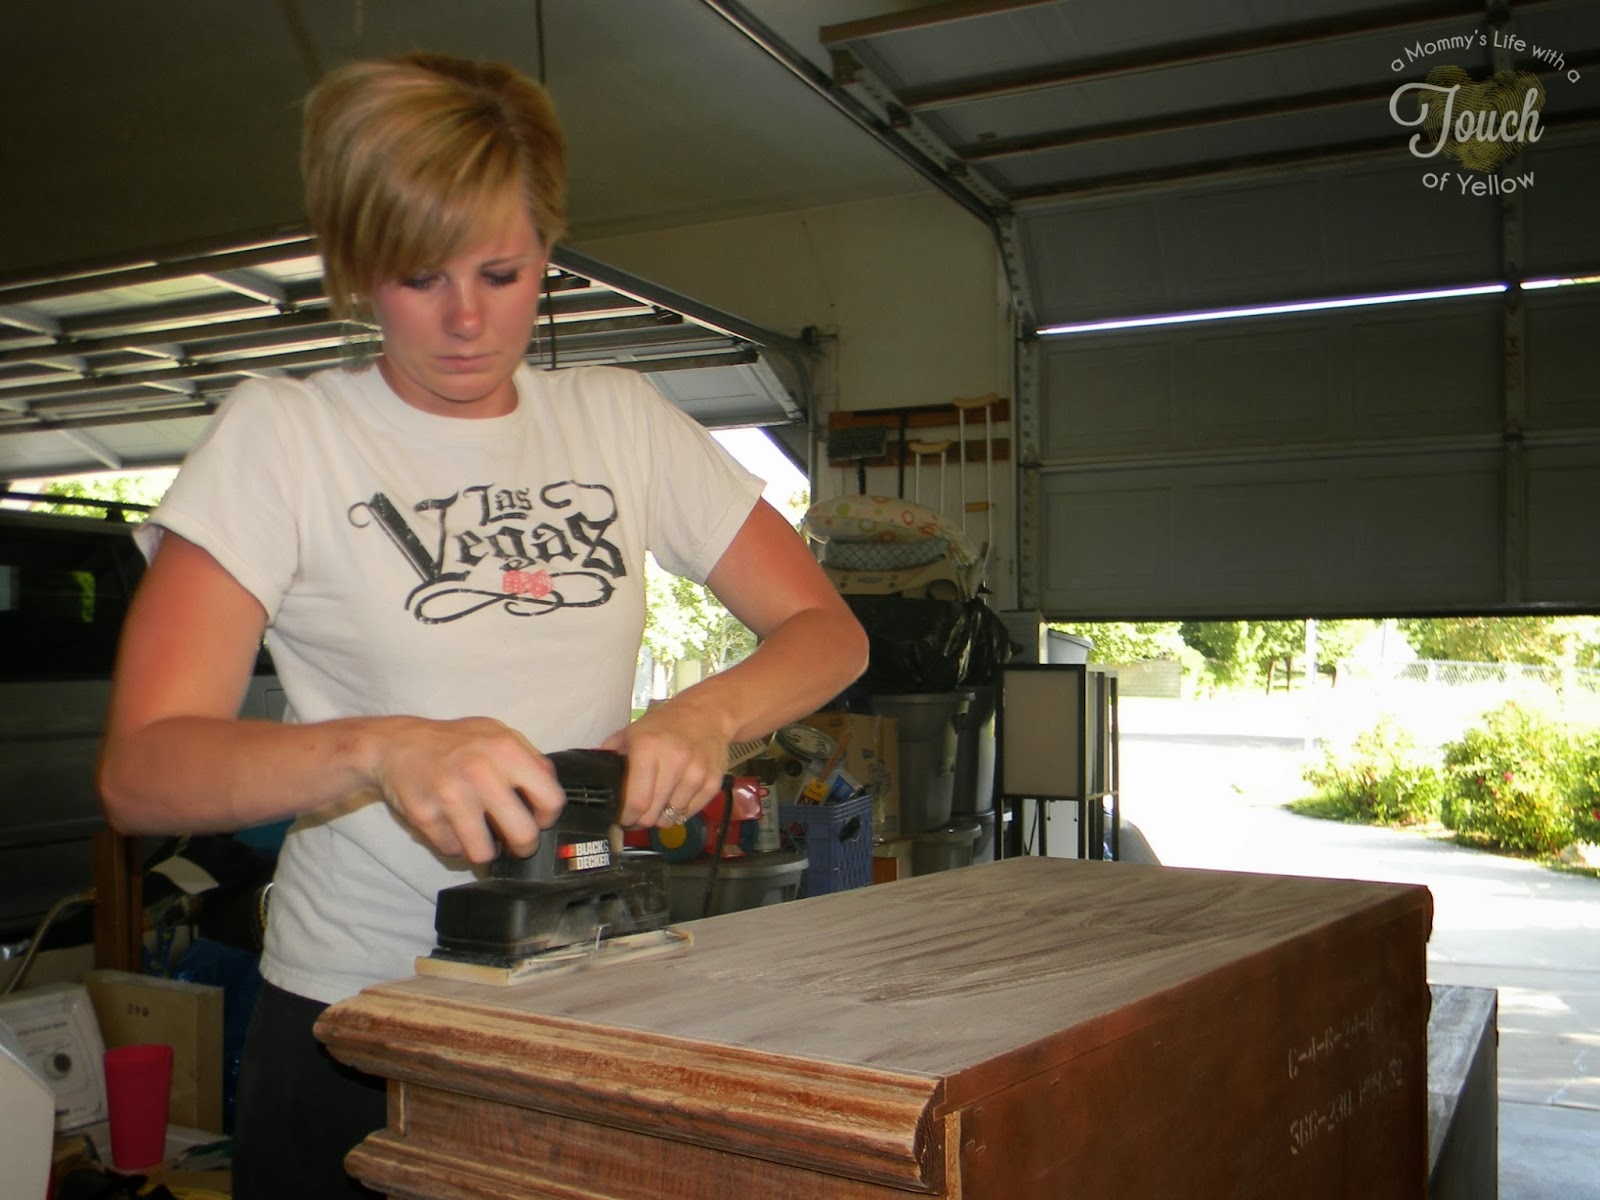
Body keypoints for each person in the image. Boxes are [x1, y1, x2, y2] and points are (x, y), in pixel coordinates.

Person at [97, 52, 868, 1199]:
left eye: (502, 273)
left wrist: (708, 716)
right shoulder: (285, 439)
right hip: (361, 1011)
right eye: (418, 278)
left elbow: (827, 630)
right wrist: (380, 748)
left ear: (547, 248)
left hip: (579, 996)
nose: (466, 320)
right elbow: (143, 773)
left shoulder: (618, 421)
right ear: (357, 270)